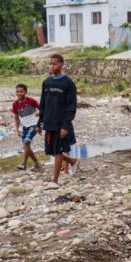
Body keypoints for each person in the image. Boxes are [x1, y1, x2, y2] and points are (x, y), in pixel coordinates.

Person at [39, 53, 80, 185]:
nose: (51, 66)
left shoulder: (68, 83)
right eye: (50, 64)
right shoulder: (46, 82)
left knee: (57, 151)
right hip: (48, 122)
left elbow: (72, 106)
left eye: (54, 64)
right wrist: (39, 122)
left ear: (61, 64)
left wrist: (66, 125)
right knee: (51, 150)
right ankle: (73, 160)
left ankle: (55, 180)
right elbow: (43, 103)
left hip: (61, 123)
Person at [12, 83, 42, 171]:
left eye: (21, 91)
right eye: (17, 92)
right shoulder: (15, 104)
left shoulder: (31, 101)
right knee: (26, 147)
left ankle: (24, 164)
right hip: (25, 127)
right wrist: (17, 129)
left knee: (27, 141)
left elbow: (42, 108)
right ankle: (37, 164)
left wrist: (39, 113)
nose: (19, 93)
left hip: (34, 125)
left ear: (25, 92)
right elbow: (16, 118)